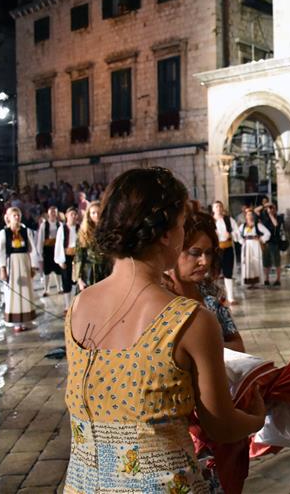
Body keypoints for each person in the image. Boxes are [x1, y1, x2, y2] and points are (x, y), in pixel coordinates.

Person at [63, 167, 264, 493]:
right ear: (167, 234)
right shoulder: (191, 321)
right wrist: (257, 417)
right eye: (183, 225)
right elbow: (222, 425)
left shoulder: (78, 306)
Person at [165, 204, 245, 352]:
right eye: (195, 253)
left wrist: (205, 350)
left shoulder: (210, 292)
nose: (204, 261)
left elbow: (237, 344)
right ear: (174, 251)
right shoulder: (160, 296)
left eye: (208, 253)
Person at [0, 207, 40, 331]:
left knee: (26, 291)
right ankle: (16, 322)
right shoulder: (4, 233)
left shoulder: (26, 231)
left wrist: (33, 267)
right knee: (13, 292)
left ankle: (26, 320)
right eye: (14, 215)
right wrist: (2, 268)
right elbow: (1, 252)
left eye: (18, 215)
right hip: (12, 263)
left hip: (24, 262)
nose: (17, 217)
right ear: (9, 217)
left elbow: (32, 250)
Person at [73, 201, 112, 292]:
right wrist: (79, 279)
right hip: (89, 272)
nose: (96, 215)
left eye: (98, 212)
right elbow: (78, 256)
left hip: (106, 270)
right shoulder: (83, 233)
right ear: (89, 215)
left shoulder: (108, 230)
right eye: (93, 213)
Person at [212, 201, 241, 305]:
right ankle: (215, 297)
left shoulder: (228, 219)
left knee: (228, 273)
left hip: (227, 248)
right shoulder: (210, 221)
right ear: (213, 209)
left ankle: (231, 297)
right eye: (216, 206)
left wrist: (231, 234)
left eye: (220, 206)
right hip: (215, 249)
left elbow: (237, 231)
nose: (218, 208)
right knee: (215, 273)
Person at [239, 210, 270, 289]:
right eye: (248, 215)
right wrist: (242, 241)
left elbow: (268, 233)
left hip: (255, 245)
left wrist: (261, 239)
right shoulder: (242, 226)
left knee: (256, 262)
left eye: (251, 214)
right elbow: (237, 235)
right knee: (247, 263)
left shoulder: (258, 225)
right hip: (246, 245)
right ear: (245, 216)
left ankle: (256, 282)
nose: (250, 216)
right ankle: (249, 282)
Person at [54, 207, 79, 303]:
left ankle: (75, 302)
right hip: (66, 257)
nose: (73, 216)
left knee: (76, 279)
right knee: (66, 279)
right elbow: (59, 244)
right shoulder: (62, 229)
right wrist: (60, 260)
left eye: (75, 214)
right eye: (71, 214)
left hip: (77, 257)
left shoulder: (79, 227)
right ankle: (67, 305)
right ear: (66, 215)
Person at [37, 206, 63, 296]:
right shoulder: (44, 225)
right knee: (46, 271)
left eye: (54, 212)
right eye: (51, 212)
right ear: (48, 214)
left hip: (57, 249)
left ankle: (59, 288)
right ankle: (46, 289)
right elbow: (40, 238)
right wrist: (39, 251)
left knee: (58, 270)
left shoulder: (60, 224)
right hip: (47, 250)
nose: (53, 214)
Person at [261, 203, 285, 287]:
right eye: (269, 208)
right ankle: (266, 279)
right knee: (266, 262)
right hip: (265, 243)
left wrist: (271, 215)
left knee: (276, 262)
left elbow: (276, 224)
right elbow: (255, 211)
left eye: (272, 208)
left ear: (276, 209)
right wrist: (264, 206)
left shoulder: (279, 217)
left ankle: (278, 279)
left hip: (274, 243)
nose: (271, 209)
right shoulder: (264, 217)